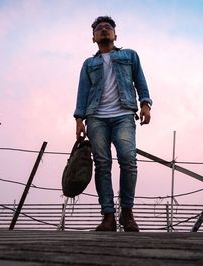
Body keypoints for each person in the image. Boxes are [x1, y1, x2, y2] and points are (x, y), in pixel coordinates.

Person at [73, 16, 152, 232]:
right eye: (99, 28)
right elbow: (82, 93)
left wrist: (145, 103)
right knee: (102, 164)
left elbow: (140, 81)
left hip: (123, 114)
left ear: (115, 35)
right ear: (93, 38)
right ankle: (108, 216)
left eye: (108, 27)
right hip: (96, 117)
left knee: (128, 159)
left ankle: (127, 214)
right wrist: (79, 120)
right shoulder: (89, 64)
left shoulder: (129, 55)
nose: (104, 30)